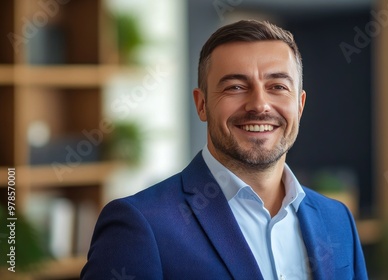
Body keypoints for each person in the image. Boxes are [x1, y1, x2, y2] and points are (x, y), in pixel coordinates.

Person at [81, 19, 368, 280]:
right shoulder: (142, 224)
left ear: (300, 105)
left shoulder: (337, 219)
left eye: (278, 86)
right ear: (202, 104)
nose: (259, 105)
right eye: (235, 87)